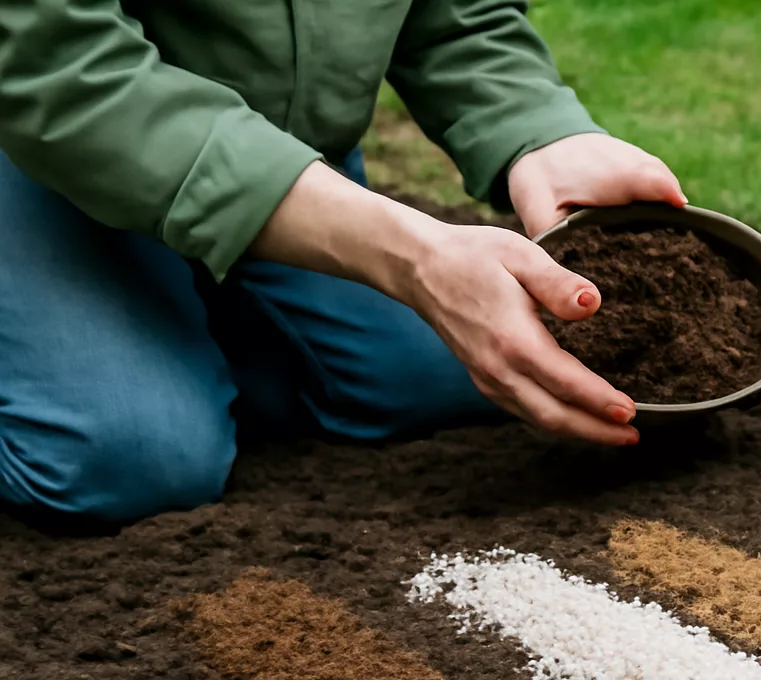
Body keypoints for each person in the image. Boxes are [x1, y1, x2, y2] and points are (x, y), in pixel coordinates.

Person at [0, 0, 687, 525]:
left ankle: (166, 326)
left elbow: (457, 15)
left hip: (277, 156)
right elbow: (62, 69)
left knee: (444, 375)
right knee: (125, 461)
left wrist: (541, 131)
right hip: (38, 142)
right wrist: (410, 256)